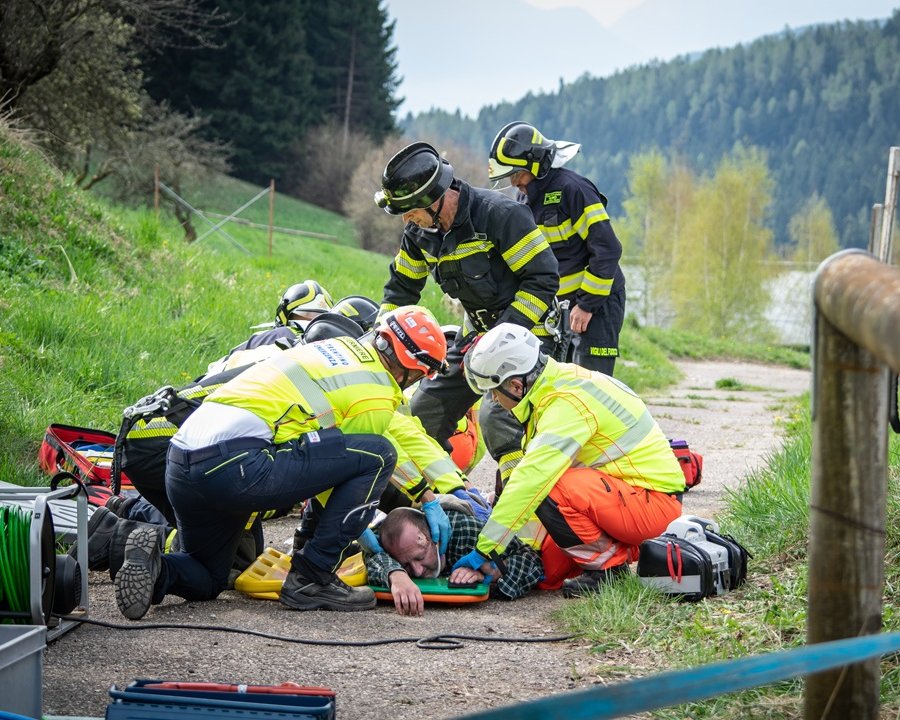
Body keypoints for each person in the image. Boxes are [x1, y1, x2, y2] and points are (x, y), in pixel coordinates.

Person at [113, 306, 451, 619]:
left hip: (182, 461)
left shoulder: (337, 351)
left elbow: (337, 458)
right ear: (413, 367)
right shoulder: (374, 389)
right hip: (236, 465)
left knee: (209, 575)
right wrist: (355, 536)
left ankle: (156, 568)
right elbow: (367, 461)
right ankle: (312, 577)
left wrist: (424, 495)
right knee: (380, 455)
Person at [374, 141, 560, 488]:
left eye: (410, 210)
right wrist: (378, 344)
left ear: (434, 199)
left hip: (529, 333)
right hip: (476, 334)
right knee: (423, 412)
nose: (406, 219)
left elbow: (543, 279)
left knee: (498, 416)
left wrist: (502, 337)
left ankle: (520, 502)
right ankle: (445, 494)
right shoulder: (419, 233)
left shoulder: (500, 216)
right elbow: (401, 290)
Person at [458, 323, 685, 598]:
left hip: (652, 504)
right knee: (547, 574)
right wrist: (518, 545)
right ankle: (610, 555)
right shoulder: (557, 384)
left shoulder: (566, 404)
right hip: (629, 497)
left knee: (548, 487)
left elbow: (532, 480)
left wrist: (485, 549)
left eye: (494, 391)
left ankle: (608, 571)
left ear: (516, 386)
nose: (493, 399)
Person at [488, 122, 626, 376]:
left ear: (535, 165)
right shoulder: (525, 198)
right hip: (559, 308)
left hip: (597, 302)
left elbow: (607, 249)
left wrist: (587, 304)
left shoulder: (574, 189)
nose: (513, 182)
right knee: (556, 380)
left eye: (516, 174)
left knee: (590, 382)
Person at [365, 502, 543, 616]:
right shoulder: (389, 538)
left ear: (435, 537)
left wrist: (492, 572)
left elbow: (533, 561)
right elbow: (370, 552)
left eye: (420, 557)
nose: (417, 571)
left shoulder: (468, 530)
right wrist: (396, 574)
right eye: (406, 564)